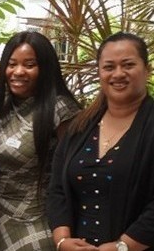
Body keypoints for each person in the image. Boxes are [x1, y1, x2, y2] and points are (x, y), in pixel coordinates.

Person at [48, 33, 154, 250]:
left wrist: (122, 247)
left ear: (147, 69)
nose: (118, 74)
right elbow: (57, 187)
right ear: (99, 72)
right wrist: (62, 239)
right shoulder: (80, 126)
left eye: (128, 65)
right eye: (108, 67)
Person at [0, 31, 81, 251]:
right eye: (12, 64)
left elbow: (74, 176)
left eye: (29, 65)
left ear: (45, 68)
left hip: (40, 221)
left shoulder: (61, 111)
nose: (18, 72)